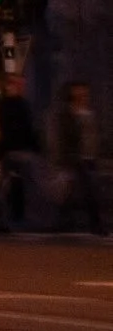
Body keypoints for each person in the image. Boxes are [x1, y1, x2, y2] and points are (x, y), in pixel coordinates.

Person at [0, 71, 45, 232]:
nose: (21, 87)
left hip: (17, 150)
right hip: (14, 151)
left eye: (21, 84)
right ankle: (3, 217)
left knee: (16, 184)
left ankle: (13, 217)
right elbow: (15, 129)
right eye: (17, 84)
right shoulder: (9, 105)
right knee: (10, 184)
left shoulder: (19, 104)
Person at [51, 79, 104, 235]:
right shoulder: (68, 114)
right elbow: (63, 138)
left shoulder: (89, 114)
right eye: (78, 92)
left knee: (87, 192)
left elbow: (94, 137)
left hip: (87, 159)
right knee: (72, 192)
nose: (82, 95)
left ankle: (86, 224)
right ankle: (68, 223)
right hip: (74, 159)